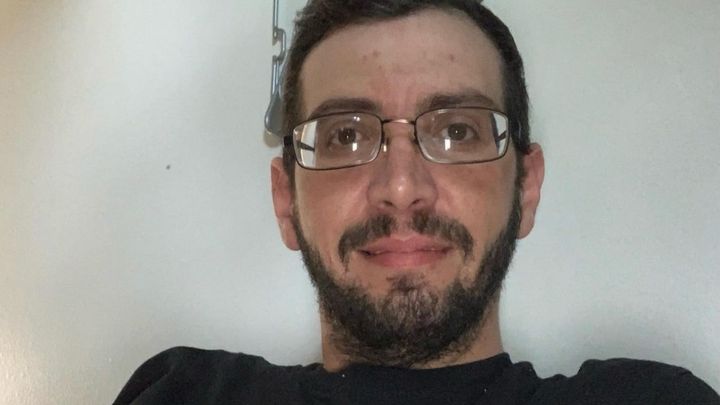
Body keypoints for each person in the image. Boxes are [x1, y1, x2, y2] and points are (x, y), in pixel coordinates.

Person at [114, 0, 719, 403]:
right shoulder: (183, 394)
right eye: (344, 136)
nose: (401, 188)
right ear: (285, 201)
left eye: (457, 131)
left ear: (526, 187)